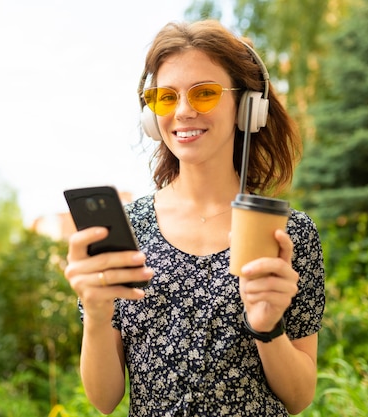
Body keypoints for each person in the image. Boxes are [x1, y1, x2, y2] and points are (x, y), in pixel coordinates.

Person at [64, 19, 325, 417]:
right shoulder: (128, 228)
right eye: (166, 98)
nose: (184, 112)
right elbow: (104, 400)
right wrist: (97, 316)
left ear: (247, 106)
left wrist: (267, 328)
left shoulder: (289, 233)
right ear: (152, 116)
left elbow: (299, 396)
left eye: (204, 94)